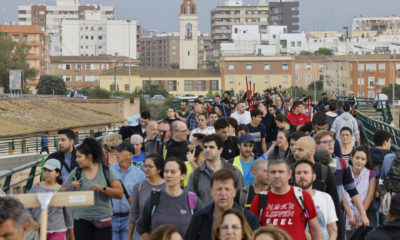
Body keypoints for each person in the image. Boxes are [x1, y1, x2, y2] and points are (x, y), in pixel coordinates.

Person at [63, 138, 123, 240]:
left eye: (79, 156)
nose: (76, 159)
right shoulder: (76, 172)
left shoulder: (106, 171)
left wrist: (102, 188)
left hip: (103, 220)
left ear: (89, 157)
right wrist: (71, 186)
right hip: (81, 221)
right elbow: (61, 190)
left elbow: (120, 193)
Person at [249, 158, 323, 240]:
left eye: (281, 172)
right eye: (273, 172)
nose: (277, 175)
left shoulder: (302, 196)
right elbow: (252, 232)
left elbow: (315, 229)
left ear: (289, 174)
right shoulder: (259, 199)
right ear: (268, 175)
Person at [185, 169, 259, 240]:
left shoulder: (249, 219)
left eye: (227, 189)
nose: (223, 193)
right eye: (219, 189)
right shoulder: (199, 218)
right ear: (211, 191)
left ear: (234, 192)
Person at [137, 158, 203, 238]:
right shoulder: (154, 198)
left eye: (173, 172)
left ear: (183, 175)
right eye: (166, 171)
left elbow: (204, 227)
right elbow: (142, 227)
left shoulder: (192, 199)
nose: (168, 175)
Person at [314, 131, 370, 226]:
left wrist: (363, 214)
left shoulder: (342, 163)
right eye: (326, 142)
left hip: (337, 211)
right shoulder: (313, 164)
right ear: (317, 146)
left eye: (331, 141)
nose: (330, 144)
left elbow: (352, 190)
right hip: (316, 211)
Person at [292, 136, 343, 239]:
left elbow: (336, 207)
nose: (296, 153)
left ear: (312, 151)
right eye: (295, 149)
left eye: (300, 150)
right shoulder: (290, 172)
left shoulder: (325, 172)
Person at [187, 134, 244, 205]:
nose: (207, 150)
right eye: (205, 147)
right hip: (204, 215)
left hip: (228, 215)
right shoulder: (196, 174)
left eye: (211, 147)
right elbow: (191, 202)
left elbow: (241, 200)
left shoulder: (234, 172)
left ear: (220, 150)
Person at [27, 159, 74, 240]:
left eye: (50, 170)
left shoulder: (62, 190)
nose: (46, 173)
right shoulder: (36, 188)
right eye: (45, 170)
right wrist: (33, 222)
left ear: (57, 173)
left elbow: (68, 213)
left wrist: (71, 235)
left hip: (59, 230)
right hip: (38, 231)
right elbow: (26, 208)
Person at [294, 160, 338, 240]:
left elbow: (332, 227)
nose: (302, 176)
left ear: (314, 177)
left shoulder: (326, 197)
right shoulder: (290, 199)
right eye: (298, 173)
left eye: (305, 172)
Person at [110, 142, 146, 240]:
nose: (117, 153)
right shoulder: (109, 172)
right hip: (111, 219)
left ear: (130, 155)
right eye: (116, 151)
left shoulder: (140, 175)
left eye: (120, 151)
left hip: (129, 220)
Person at [128, 154, 166, 240]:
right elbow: (134, 213)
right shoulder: (138, 187)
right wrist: (130, 235)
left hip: (162, 233)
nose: (146, 169)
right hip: (141, 233)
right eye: (145, 166)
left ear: (159, 169)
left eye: (150, 166)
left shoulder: (168, 186)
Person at [343, 146, 377, 238]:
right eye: (357, 158)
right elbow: (342, 196)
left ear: (366, 161)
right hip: (344, 213)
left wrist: (359, 216)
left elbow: (369, 197)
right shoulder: (344, 172)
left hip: (363, 213)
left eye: (363, 159)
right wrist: (350, 215)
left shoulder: (371, 174)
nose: (359, 161)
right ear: (351, 157)